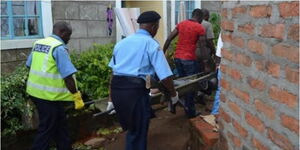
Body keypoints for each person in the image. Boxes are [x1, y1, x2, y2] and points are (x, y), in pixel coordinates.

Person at [106, 11, 179, 150]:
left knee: (132, 129)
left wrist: (110, 99)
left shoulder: (121, 43)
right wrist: (173, 94)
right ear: (153, 26)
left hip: (117, 91)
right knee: (138, 132)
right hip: (134, 93)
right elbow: (165, 76)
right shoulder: (151, 44)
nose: (157, 30)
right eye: (157, 27)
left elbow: (113, 74)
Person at [26, 21, 84, 150]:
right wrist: (76, 95)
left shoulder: (39, 43)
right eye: (69, 35)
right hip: (48, 97)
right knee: (46, 129)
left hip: (37, 93)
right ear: (62, 32)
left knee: (60, 125)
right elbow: (68, 76)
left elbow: (29, 65)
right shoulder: (58, 48)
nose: (69, 38)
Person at [163, 8, 205, 118]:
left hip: (177, 58)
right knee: (190, 86)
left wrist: (162, 53)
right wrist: (206, 61)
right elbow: (202, 46)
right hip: (189, 59)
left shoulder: (181, 24)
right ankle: (190, 111)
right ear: (200, 17)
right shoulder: (199, 27)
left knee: (181, 84)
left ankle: (174, 102)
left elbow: (169, 38)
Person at [211, 34, 223, 116]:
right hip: (225, 67)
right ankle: (215, 112)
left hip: (222, 66)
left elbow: (218, 52)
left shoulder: (223, 32)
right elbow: (218, 52)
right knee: (220, 90)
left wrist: (217, 65)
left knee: (220, 90)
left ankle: (215, 112)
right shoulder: (224, 32)